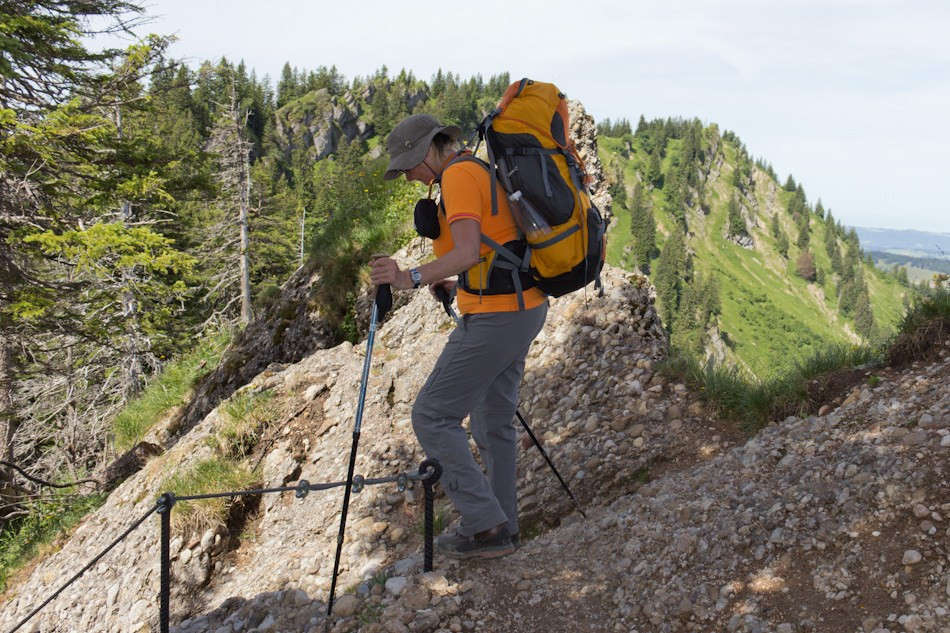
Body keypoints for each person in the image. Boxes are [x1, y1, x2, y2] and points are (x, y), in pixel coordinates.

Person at [370, 113, 548, 559]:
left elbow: (466, 249)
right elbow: (489, 248)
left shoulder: (460, 177)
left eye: (409, 163)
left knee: (431, 415)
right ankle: (501, 528)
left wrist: (408, 275)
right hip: (523, 308)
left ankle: (484, 524)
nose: (409, 174)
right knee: (492, 424)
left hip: (496, 318)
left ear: (432, 148)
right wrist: (455, 283)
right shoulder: (476, 170)